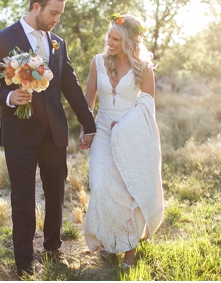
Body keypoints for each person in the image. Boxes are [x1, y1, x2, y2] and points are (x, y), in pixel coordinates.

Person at [0, 0, 96, 278]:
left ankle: (53, 250)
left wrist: (89, 123)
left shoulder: (58, 42)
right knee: (23, 201)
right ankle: (24, 263)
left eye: (60, 14)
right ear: (36, 7)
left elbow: (70, 84)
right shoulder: (4, 38)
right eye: (53, 13)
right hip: (20, 136)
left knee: (56, 195)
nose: (57, 19)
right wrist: (8, 97)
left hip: (54, 133)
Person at [81, 14, 164, 269]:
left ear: (129, 41)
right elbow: (89, 98)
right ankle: (108, 238)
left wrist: (126, 125)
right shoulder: (97, 62)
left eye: (116, 38)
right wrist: (87, 129)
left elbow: (148, 104)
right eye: (109, 36)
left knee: (128, 189)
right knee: (101, 184)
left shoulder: (143, 67)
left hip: (130, 132)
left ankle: (129, 248)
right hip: (103, 130)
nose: (110, 42)